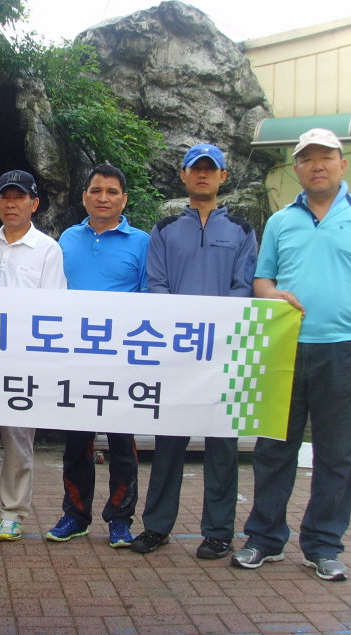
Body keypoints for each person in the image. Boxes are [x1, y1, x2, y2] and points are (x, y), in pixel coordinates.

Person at [231, 129, 351, 581]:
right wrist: (274, 294)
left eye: (326, 157)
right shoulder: (281, 221)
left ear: (343, 164)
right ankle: (264, 539)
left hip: (343, 350)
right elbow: (262, 281)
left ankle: (323, 545)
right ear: (297, 168)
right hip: (284, 347)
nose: (317, 165)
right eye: (307, 159)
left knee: (336, 454)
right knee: (273, 449)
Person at [131, 144, 257, 559]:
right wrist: (183, 328)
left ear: (223, 176)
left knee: (222, 446)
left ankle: (219, 532)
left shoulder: (241, 229)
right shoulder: (165, 229)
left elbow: (244, 286)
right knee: (168, 443)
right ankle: (156, 526)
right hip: (177, 354)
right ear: (183, 175)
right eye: (195, 168)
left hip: (224, 354)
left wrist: (216, 328)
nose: (203, 175)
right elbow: (156, 284)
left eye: (210, 169)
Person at [47, 163, 149, 548]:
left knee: (122, 444)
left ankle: (120, 519)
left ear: (124, 199)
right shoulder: (67, 239)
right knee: (77, 444)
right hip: (75, 359)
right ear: (84, 196)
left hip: (122, 360)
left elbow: (151, 300)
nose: (103, 198)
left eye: (111, 191)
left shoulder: (142, 242)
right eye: (96, 190)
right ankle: (75, 516)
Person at [0, 170, 67, 541]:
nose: (11, 204)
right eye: (5, 197)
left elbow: (54, 308)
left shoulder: (48, 249)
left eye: (19, 197)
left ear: (34, 203)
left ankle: (13, 510)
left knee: (18, 436)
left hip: (24, 359)